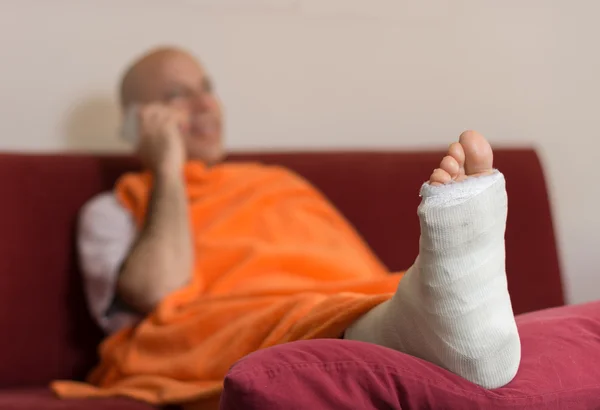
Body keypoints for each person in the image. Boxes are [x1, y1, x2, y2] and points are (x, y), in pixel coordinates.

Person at [53, 46, 521, 407]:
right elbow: (156, 291)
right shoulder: (112, 207)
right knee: (263, 314)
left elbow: (349, 268)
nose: (204, 104)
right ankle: (432, 330)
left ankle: (421, 317)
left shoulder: (276, 183)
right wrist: (168, 168)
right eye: (176, 95)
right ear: (139, 124)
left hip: (333, 298)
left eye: (206, 86)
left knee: (377, 291)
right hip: (216, 323)